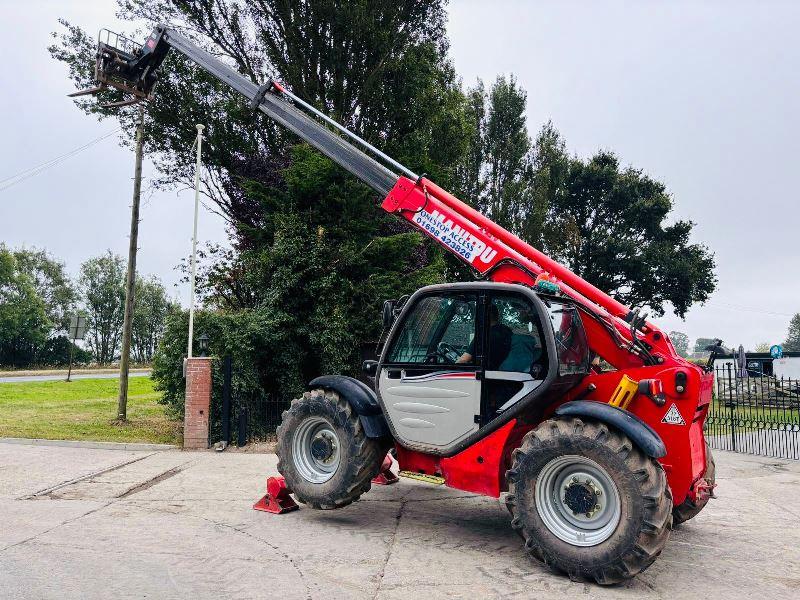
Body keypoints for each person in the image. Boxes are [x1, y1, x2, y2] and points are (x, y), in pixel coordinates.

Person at [456, 303, 512, 369]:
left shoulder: (484, 336)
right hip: (500, 372)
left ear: (485, 316)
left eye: (479, 315)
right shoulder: (506, 331)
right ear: (497, 316)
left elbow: (463, 360)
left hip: (486, 373)